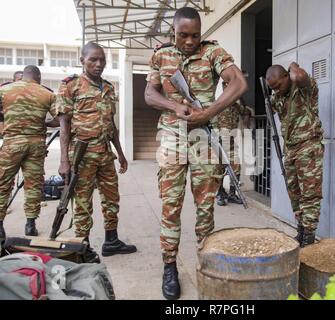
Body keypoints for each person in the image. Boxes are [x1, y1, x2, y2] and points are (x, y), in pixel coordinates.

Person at [145, 7, 248, 300]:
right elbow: (150, 95)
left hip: (204, 139)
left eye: (195, 35)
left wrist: (209, 112)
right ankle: (169, 267)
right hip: (172, 138)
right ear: (172, 32)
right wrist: (176, 107)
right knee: (171, 206)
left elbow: (239, 83)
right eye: (183, 35)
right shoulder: (161, 56)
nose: (190, 41)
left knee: (205, 208)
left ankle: (207, 265)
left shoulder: (213, 53)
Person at [55, 42, 137, 260]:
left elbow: (111, 124)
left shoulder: (108, 88)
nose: (99, 64)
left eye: (102, 60)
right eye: (93, 59)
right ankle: (83, 248)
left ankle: (111, 241)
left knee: (112, 199)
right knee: (83, 203)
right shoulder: (70, 86)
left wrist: (120, 152)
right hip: (81, 156)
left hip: (105, 155)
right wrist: (64, 160)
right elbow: (64, 126)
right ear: (82, 60)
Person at [265, 63, 325, 248]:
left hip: (308, 147)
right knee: (294, 193)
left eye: (278, 86)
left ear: (286, 76)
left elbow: (299, 76)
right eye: (272, 88)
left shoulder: (304, 89)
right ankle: (301, 229)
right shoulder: (278, 97)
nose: (276, 91)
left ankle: (309, 236)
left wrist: (293, 65)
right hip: (290, 149)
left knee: (310, 195)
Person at [0, 66, 56, 241]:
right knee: (33, 185)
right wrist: (42, 122)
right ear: (38, 77)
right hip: (36, 145)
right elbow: (58, 118)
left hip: (12, 144)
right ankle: (30, 224)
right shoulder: (47, 93)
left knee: (2, 183)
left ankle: (0, 226)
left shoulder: (5, 89)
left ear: (23, 76)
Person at [216, 76, 253, 206]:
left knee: (236, 167)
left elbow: (246, 111)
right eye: (228, 86)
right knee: (219, 169)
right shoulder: (217, 104)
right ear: (224, 88)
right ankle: (220, 193)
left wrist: (240, 96)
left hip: (231, 143)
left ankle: (232, 194)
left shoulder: (235, 106)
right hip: (219, 142)